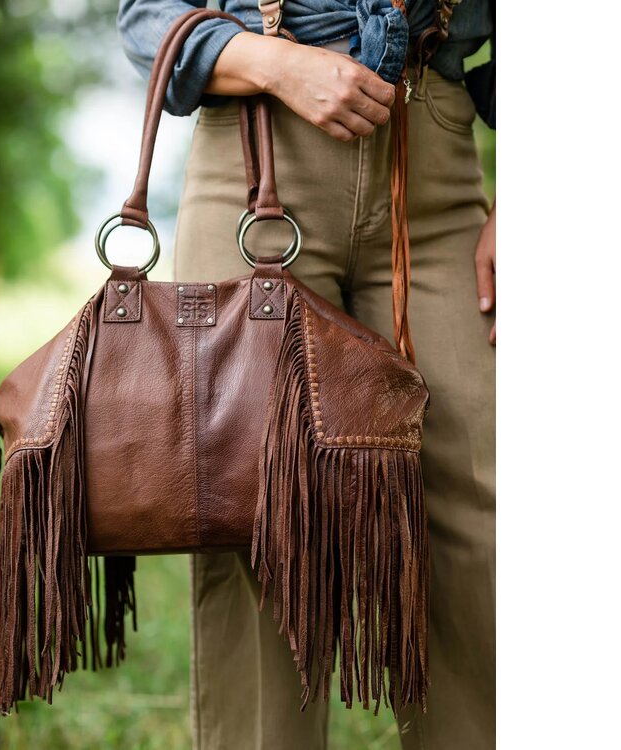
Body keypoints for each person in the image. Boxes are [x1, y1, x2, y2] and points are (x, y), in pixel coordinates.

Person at [116, 1, 495, 748]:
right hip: (254, 154)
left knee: (478, 510)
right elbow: (145, 15)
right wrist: (276, 62)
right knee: (251, 509)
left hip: (439, 166)